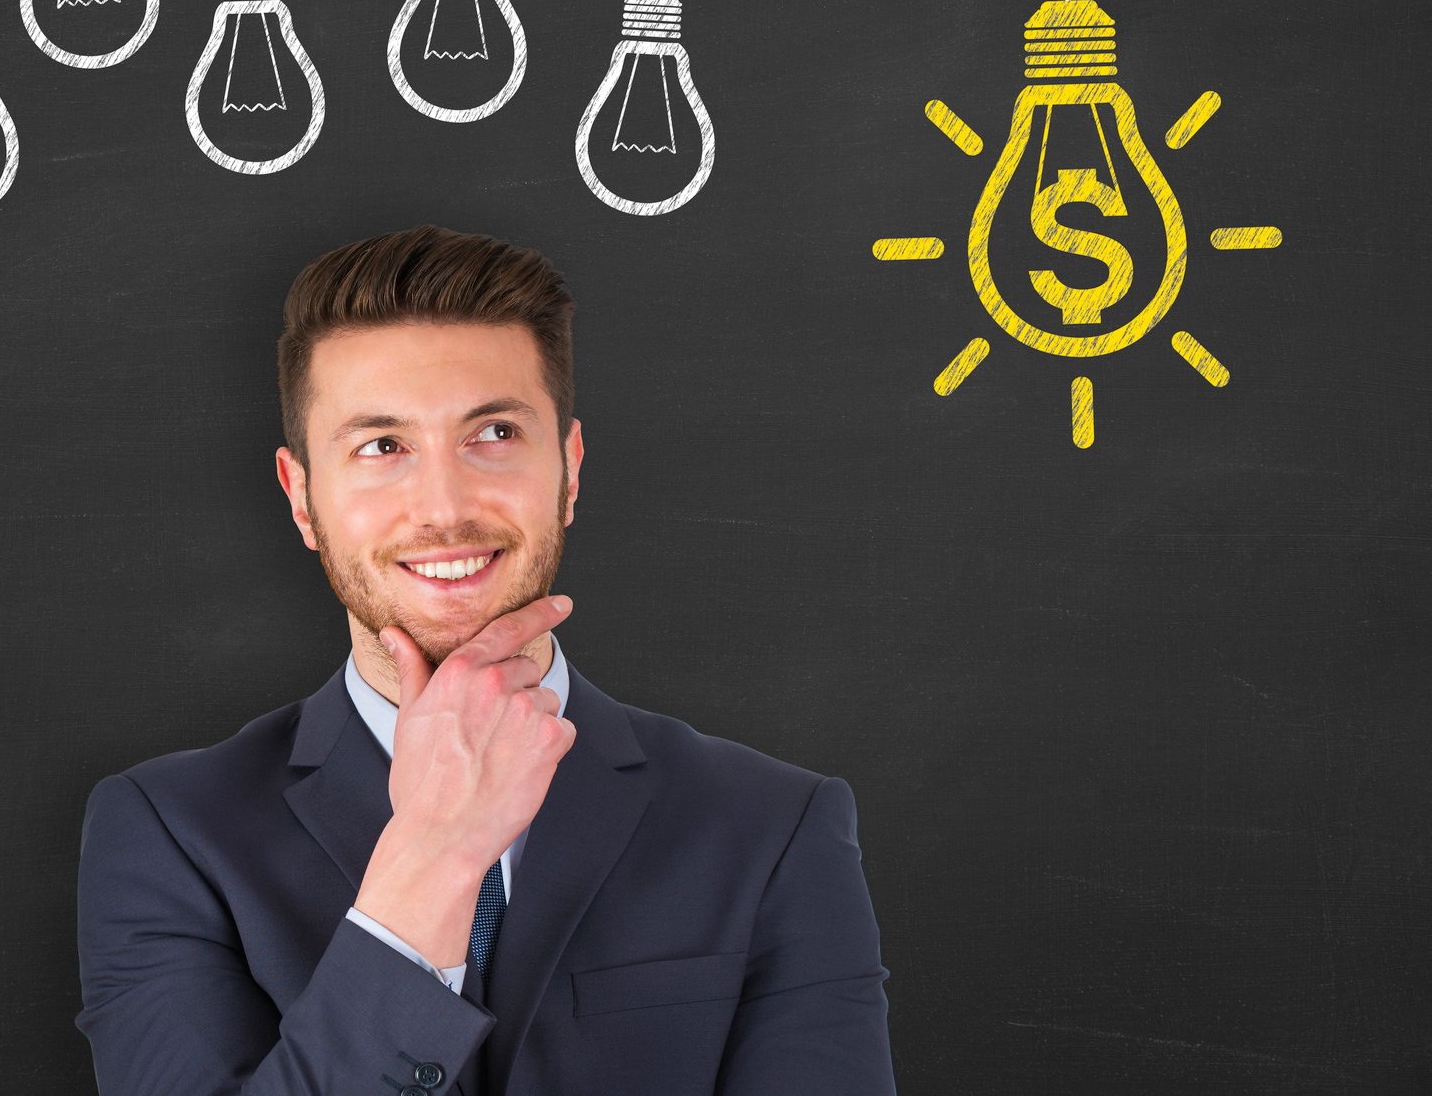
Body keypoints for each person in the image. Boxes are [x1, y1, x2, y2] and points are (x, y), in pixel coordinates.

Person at [74, 225, 896, 1095]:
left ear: (569, 472)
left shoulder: (774, 826)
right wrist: (435, 855)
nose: (444, 507)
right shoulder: (168, 834)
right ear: (303, 498)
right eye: (382, 447)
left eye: (494, 432)